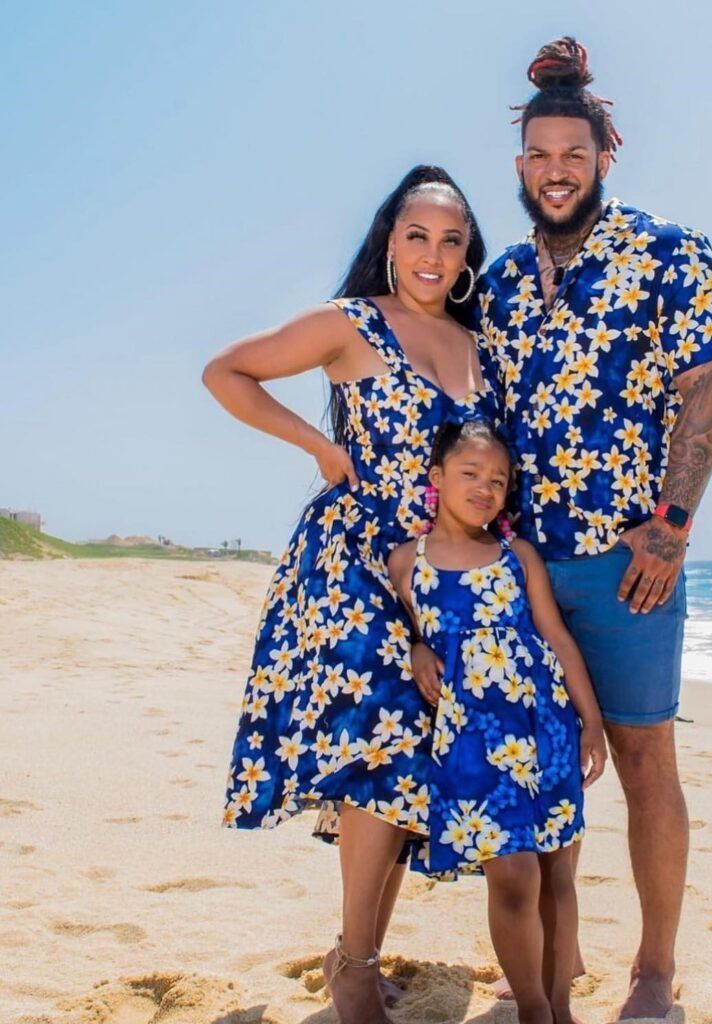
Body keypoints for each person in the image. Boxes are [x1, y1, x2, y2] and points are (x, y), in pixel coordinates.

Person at [473, 37, 712, 1020]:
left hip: (628, 565)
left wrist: (672, 526)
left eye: (574, 157)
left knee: (642, 762)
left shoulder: (667, 250)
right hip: (525, 568)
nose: (557, 172)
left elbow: (710, 381)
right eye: (541, 157)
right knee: (542, 765)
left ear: (604, 159)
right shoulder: (498, 281)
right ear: (521, 167)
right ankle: (555, 952)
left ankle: (656, 971)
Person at [202, 165, 501, 1024]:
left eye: (451, 239)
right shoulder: (350, 324)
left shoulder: (481, 347)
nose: (434, 254)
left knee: (412, 763)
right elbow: (227, 372)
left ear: (467, 252)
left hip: (442, 572)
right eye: (417, 235)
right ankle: (359, 970)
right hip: (353, 563)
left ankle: (352, 949)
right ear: (389, 240)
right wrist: (317, 448)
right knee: (386, 739)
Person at [388, 418, 607, 1024]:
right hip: (471, 744)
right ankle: (534, 1009)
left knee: (558, 873)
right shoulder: (407, 561)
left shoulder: (518, 556)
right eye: (470, 474)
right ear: (437, 478)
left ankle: (560, 1008)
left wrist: (590, 722)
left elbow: (558, 639)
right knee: (510, 876)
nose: (484, 488)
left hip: (544, 729)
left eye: (498, 480)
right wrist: (414, 647)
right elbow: (393, 630)